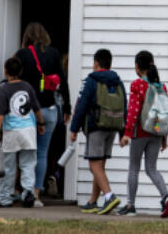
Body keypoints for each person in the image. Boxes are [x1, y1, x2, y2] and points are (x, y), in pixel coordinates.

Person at [13, 22, 72, 206]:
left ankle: (25, 191)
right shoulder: (54, 54)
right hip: (50, 109)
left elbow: (15, 80)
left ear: (27, 36)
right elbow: (63, 81)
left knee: (25, 152)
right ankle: (37, 194)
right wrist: (67, 107)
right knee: (42, 153)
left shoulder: (22, 54)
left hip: (27, 110)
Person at [116, 50, 168, 217]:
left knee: (134, 168)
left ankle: (130, 206)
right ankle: (166, 196)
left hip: (140, 132)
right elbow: (165, 112)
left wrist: (127, 133)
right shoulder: (161, 86)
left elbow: (133, 111)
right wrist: (164, 137)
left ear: (136, 67)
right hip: (156, 132)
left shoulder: (137, 85)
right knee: (152, 169)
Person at [69, 47, 125, 214]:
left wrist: (74, 128)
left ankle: (109, 196)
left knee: (94, 164)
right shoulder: (117, 80)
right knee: (100, 164)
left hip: (96, 126)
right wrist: (123, 132)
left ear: (96, 63)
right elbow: (124, 105)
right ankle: (93, 201)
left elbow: (82, 105)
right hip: (113, 127)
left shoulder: (92, 80)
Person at [0, 56, 45, 208]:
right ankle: (28, 193)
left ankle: (5, 197)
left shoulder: (4, 90)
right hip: (28, 130)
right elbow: (36, 108)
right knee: (28, 164)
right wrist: (41, 123)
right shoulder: (28, 87)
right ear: (21, 71)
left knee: (8, 166)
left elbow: (0, 114)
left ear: (5, 71)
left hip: (11, 131)